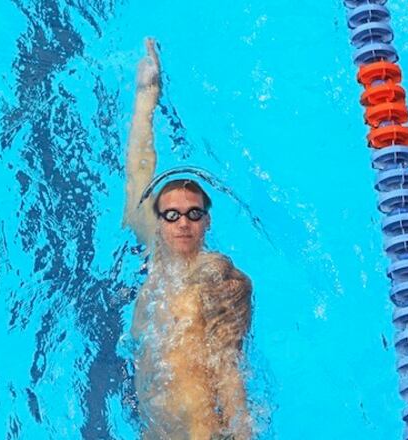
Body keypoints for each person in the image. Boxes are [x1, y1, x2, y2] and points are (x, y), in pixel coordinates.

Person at [124, 38, 253, 440]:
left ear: (207, 222)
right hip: (151, 426)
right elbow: (139, 171)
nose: (183, 223)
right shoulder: (155, 255)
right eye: (173, 215)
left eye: (194, 214)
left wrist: (243, 430)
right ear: (159, 221)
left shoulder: (219, 276)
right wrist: (146, 97)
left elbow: (229, 367)